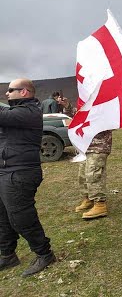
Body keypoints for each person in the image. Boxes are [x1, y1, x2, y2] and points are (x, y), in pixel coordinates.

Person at [0, 79, 55, 277]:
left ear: (24, 92)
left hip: (20, 172)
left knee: (21, 217)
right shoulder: (15, 113)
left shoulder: (29, 112)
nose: (6, 94)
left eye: (10, 90)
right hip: (7, 169)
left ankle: (44, 253)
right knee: (4, 216)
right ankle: (7, 254)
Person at [75, 130, 113, 219]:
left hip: (98, 146)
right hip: (85, 146)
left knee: (94, 175)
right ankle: (88, 198)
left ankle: (100, 204)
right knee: (83, 174)